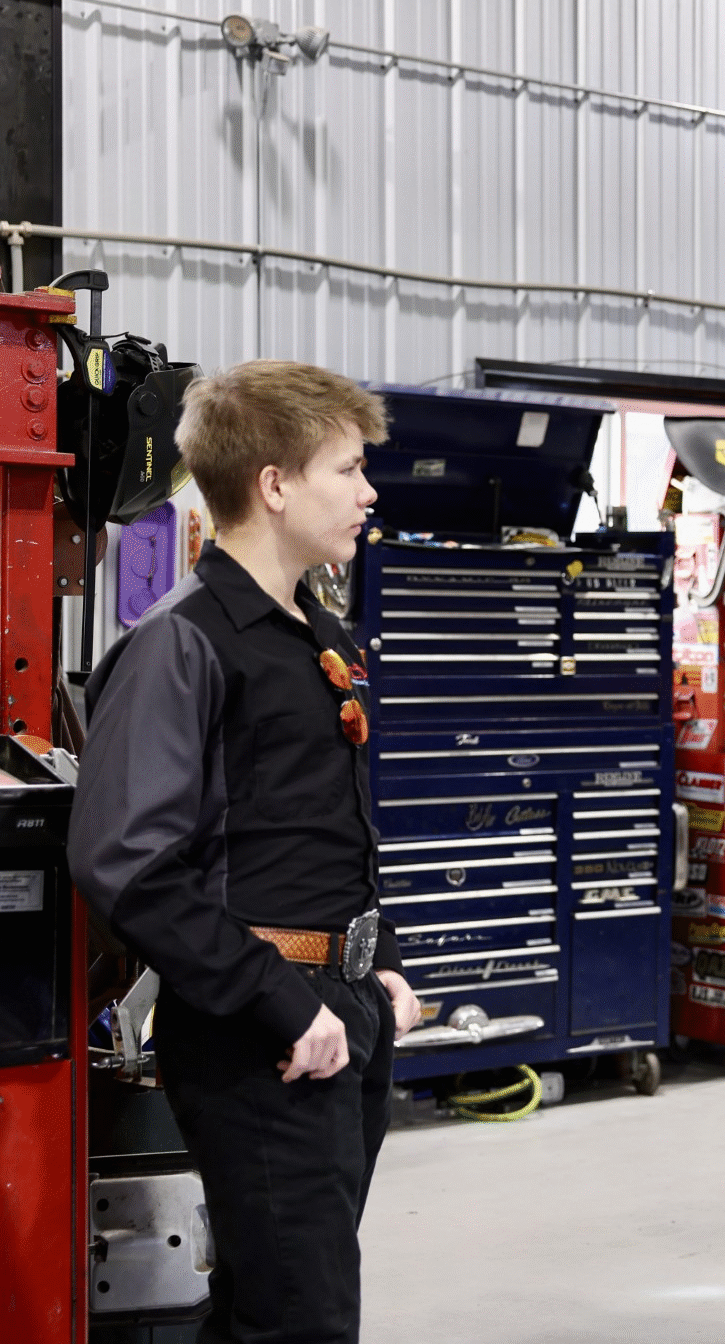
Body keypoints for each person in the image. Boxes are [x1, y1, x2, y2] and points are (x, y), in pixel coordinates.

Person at [70, 360, 422, 1344]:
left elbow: (325, 824)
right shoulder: (182, 643)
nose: (368, 491)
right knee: (301, 1320)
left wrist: (380, 959)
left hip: (337, 1020)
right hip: (260, 1032)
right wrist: (284, 998)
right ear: (274, 484)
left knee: (275, 1304)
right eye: (348, 470)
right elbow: (126, 862)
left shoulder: (317, 634)